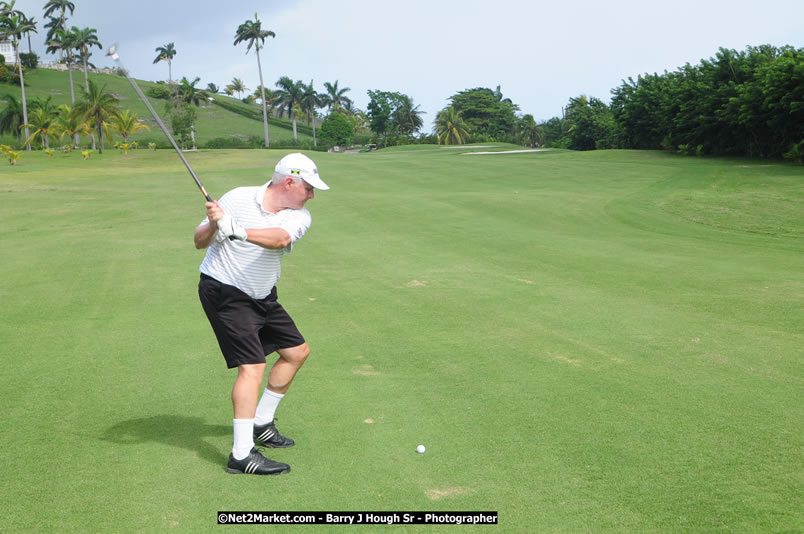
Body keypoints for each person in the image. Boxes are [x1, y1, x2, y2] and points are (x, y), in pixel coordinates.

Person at [194, 153, 329, 475]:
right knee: (252, 366)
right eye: (308, 188)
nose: (311, 196)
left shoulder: (299, 216)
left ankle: (261, 423)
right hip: (224, 289)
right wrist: (214, 224)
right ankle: (241, 455)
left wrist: (237, 230)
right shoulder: (237, 197)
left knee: (297, 352)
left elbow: (279, 239)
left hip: (262, 293)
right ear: (289, 182)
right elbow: (199, 242)